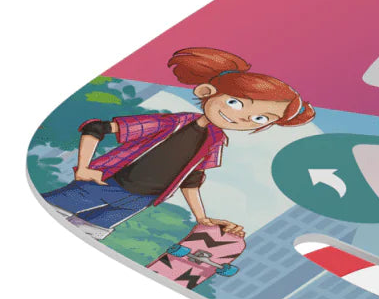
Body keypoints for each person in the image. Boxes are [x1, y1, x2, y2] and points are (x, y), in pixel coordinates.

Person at [42, 47, 315, 240]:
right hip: (107, 183)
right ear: (206, 92)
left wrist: (202, 219)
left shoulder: (216, 140)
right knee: (47, 213)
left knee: (88, 237)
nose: (242, 118)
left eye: (259, 118)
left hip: (141, 200)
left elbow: (192, 179)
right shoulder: (171, 123)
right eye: (235, 102)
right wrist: (84, 168)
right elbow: (96, 128)